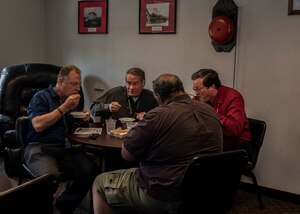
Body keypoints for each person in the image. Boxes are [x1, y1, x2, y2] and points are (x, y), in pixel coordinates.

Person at [92, 73, 223, 214]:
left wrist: (136, 129)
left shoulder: (158, 115)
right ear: (181, 89)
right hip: (207, 190)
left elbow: (127, 154)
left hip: (166, 194)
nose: (131, 87)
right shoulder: (209, 110)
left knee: (100, 181)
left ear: (159, 97)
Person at [24, 65, 101, 213]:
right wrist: (65, 107)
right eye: (74, 84)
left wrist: (84, 119)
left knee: (91, 170)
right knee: (47, 179)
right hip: (39, 147)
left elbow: (72, 125)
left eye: (79, 84)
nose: (78, 89)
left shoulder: (71, 101)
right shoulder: (41, 97)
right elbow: (38, 125)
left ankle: (65, 203)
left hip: (64, 148)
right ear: (60, 81)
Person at [191, 68, 252, 157]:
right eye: (194, 89)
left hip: (236, 148)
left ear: (212, 87)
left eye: (198, 89)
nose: (196, 93)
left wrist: (209, 112)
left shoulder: (233, 97)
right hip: (213, 144)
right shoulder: (200, 100)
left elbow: (235, 129)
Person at [90, 67, 158, 122]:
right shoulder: (115, 93)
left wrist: (148, 116)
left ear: (143, 83)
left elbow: (160, 118)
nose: (131, 88)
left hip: (139, 135)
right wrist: (108, 107)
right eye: (128, 83)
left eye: (135, 84)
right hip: (116, 133)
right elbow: (93, 109)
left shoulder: (150, 96)